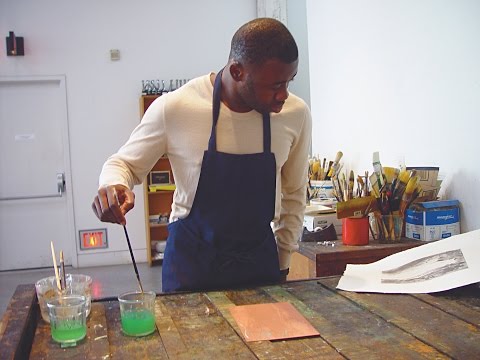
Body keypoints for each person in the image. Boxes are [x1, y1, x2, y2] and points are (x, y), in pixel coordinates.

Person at [92, 17, 312, 292]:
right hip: (191, 266)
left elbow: (294, 194)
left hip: (258, 264)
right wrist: (112, 185)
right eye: (274, 85)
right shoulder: (176, 108)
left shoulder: (295, 114)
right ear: (237, 72)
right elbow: (122, 163)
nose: (284, 95)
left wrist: (283, 261)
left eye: (289, 82)